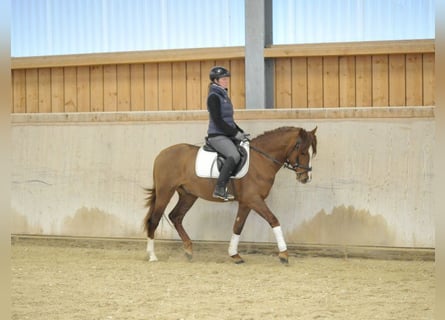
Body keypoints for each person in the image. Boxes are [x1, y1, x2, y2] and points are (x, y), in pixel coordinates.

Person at [206, 66, 248, 201]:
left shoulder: (224, 96)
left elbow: (229, 120)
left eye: (227, 79)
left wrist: (240, 131)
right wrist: (234, 133)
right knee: (234, 155)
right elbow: (218, 121)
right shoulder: (213, 97)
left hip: (226, 133)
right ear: (215, 80)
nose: (226, 81)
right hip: (217, 135)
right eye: (223, 79)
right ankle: (219, 188)